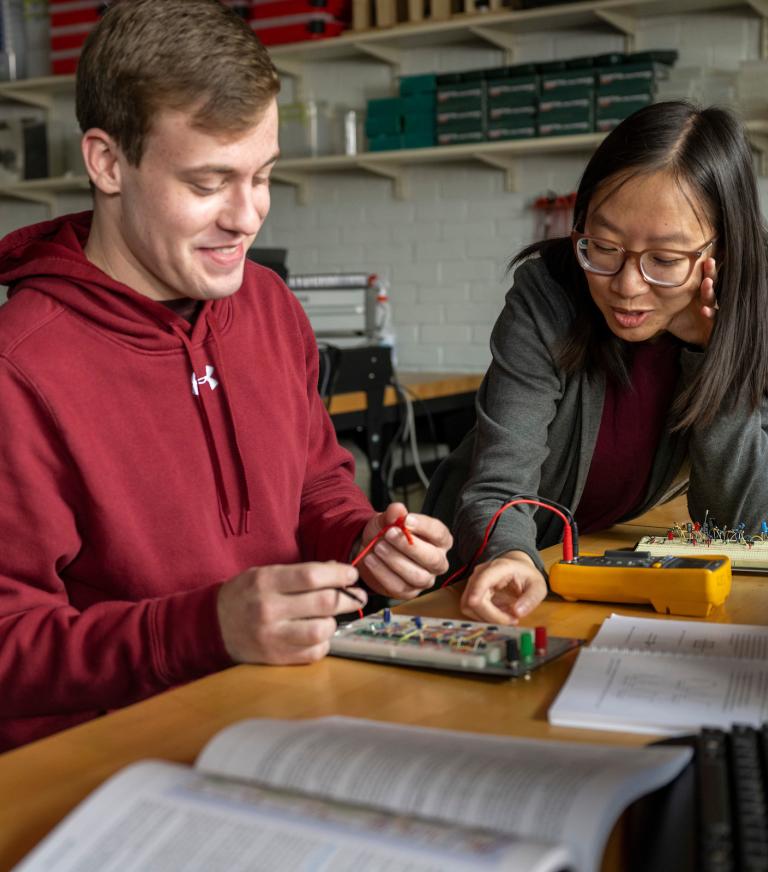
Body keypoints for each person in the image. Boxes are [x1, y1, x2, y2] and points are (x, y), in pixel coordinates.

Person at [0, 0, 451, 752]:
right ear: (108, 163)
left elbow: (315, 489)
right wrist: (206, 628)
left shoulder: (270, 306)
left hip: (292, 710)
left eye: (263, 176)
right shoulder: (20, 368)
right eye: (209, 183)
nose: (249, 217)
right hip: (116, 761)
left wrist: (365, 541)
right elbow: (10, 646)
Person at [425, 100, 768, 627]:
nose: (627, 288)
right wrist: (510, 555)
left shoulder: (750, 311)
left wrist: (711, 353)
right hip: (479, 570)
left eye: (666, 260)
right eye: (603, 246)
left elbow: (741, 527)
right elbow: (499, 487)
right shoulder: (547, 297)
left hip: (580, 565)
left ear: (722, 250)